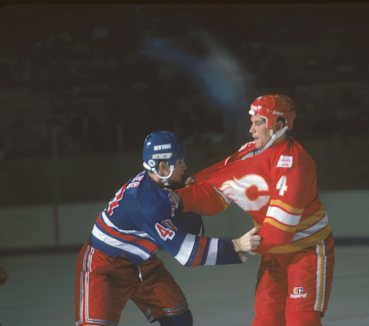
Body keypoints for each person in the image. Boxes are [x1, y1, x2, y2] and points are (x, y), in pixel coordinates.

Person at [74, 130, 260, 326]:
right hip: (104, 266)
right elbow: (187, 253)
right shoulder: (147, 202)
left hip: (141, 262)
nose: (185, 166)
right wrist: (237, 245)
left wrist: (190, 201)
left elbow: (194, 234)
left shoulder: (164, 187)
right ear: (163, 166)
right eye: (179, 161)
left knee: (178, 320)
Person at [178, 94, 335, 326]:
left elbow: (281, 230)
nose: (251, 129)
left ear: (279, 124)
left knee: (301, 320)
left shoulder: (295, 161)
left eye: (259, 122)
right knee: (265, 320)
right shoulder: (250, 150)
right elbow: (215, 186)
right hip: (273, 254)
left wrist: (234, 248)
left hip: (306, 252)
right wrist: (176, 198)